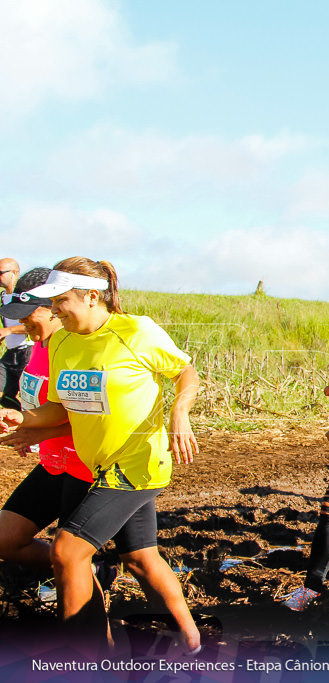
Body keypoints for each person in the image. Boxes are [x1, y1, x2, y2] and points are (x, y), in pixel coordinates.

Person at [0, 258, 201, 653]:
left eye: (60, 301)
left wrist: (180, 411)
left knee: (67, 550)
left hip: (137, 464)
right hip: (92, 465)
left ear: (93, 297)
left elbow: (186, 372)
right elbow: (59, 409)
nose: (55, 310)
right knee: (140, 559)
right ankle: (194, 642)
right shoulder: (61, 341)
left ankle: (89, 659)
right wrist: (21, 417)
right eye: (51, 302)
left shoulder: (135, 331)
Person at [0, 268, 95, 571]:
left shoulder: (75, 348)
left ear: (53, 308)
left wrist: (36, 432)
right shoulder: (42, 345)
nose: (22, 324)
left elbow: (91, 416)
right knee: (6, 539)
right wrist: (21, 422)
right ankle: (85, 574)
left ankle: (87, 585)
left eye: (28, 315)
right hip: (55, 463)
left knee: (69, 557)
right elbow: (43, 404)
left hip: (84, 466)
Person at [0, 258, 34, 410]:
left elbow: (35, 326)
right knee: (5, 397)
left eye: (0, 273)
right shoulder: (3, 297)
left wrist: (9, 330)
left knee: (28, 396)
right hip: (10, 352)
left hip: (27, 352)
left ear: (14, 273)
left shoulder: (25, 297)